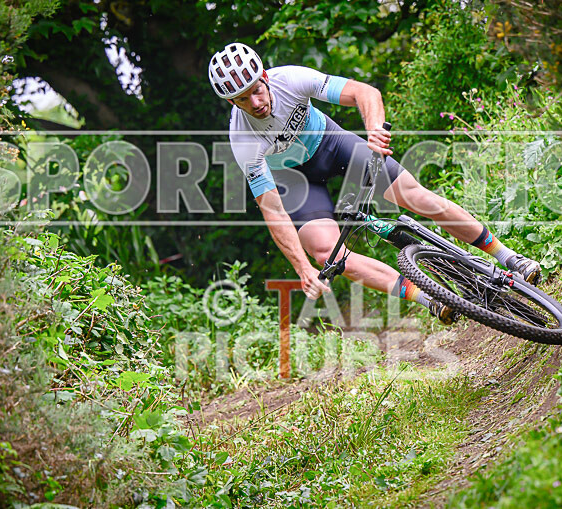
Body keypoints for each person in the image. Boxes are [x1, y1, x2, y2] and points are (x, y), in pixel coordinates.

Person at [208, 42, 541, 325]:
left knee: (416, 196)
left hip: (330, 144)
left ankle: (510, 257)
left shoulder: (291, 79)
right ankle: (430, 298)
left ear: (265, 78)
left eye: (256, 90)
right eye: (242, 99)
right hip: (293, 180)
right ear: (231, 103)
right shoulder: (242, 138)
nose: (255, 103)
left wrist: (373, 130)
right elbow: (273, 210)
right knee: (329, 255)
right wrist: (302, 268)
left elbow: (362, 93)